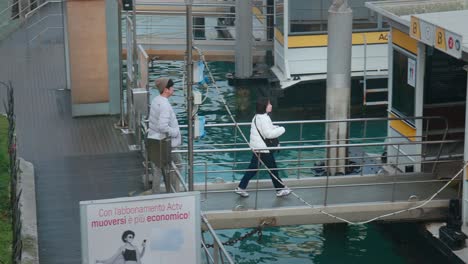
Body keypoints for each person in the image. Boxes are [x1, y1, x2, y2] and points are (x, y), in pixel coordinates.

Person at [235, 97, 291, 198]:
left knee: (253, 168)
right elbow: (268, 134)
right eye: (269, 104)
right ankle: (280, 189)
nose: (271, 105)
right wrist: (282, 129)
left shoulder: (257, 117)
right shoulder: (264, 118)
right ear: (265, 106)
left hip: (258, 147)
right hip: (264, 149)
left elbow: (264, 130)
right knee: (272, 169)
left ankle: (241, 187)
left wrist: (275, 127)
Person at [148, 77, 182, 192]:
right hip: (166, 143)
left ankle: (156, 193)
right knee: (177, 164)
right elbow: (162, 126)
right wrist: (175, 132)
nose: (173, 89)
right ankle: (173, 191)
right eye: (171, 87)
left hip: (155, 140)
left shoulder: (155, 100)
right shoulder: (165, 106)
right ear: (166, 89)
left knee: (158, 168)